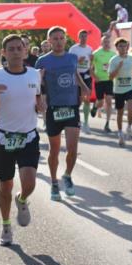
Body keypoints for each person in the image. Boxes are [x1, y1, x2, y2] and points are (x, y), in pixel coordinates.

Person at [0, 35, 44, 246]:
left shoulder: (34, 74)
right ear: (3, 53)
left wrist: (40, 106)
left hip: (29, 136)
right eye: (10, 49)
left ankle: (22, 200)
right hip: (4, 138)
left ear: (25, 51)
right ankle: (5, 226)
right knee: (5, 186)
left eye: (18, 48)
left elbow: (37, 98)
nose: (15, 52)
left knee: (29, 182)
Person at [36, 26, 91, 201]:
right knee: (54, 150)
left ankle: (67, 175)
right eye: (55, 39)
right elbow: (37, 83)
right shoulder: (42, 61)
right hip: (54, 109)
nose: (59, 41)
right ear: (49, 41)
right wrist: (39, 99)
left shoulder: (72, 58)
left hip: (71, 107)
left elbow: (75, 74)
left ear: (65, 40)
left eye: (61, 38)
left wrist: (83, 87)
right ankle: (53, 182)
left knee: (73, 149)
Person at [107, 38, 132, 146]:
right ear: (116, 48)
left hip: (131, 87)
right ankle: (120, 133)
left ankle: (129, 127)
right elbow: (110, 77)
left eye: (124, 46)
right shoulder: (114, 60)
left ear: (127, 47)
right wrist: (118, 68)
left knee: (130, 109)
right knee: (120, 113)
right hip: (119, 89)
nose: (123, 48)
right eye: (120, 46)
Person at [68, 29, 95, 132]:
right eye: (82, 36)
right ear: (78, 37)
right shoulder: (73, 49)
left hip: (86, 75)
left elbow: (91, 64)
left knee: (87, 98)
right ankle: (75, 120)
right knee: (77, 101)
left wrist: (92, 60)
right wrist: (77, 60)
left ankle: (86, 123)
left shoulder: (89, 48)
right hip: (76, 75)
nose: (84, 38)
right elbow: (69, 63)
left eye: (85, 36)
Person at [90, 34, 116, 133]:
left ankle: (107, 123)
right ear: (101, 43)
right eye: (104, 42)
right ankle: (96, 106)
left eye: (108, 42)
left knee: (109, 101)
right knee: (100, 102)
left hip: (109, 80)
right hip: (99, 81)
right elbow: (90, 68)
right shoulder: (96, 53)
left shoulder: (113, 54)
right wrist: (95, 77)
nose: (106, 43)